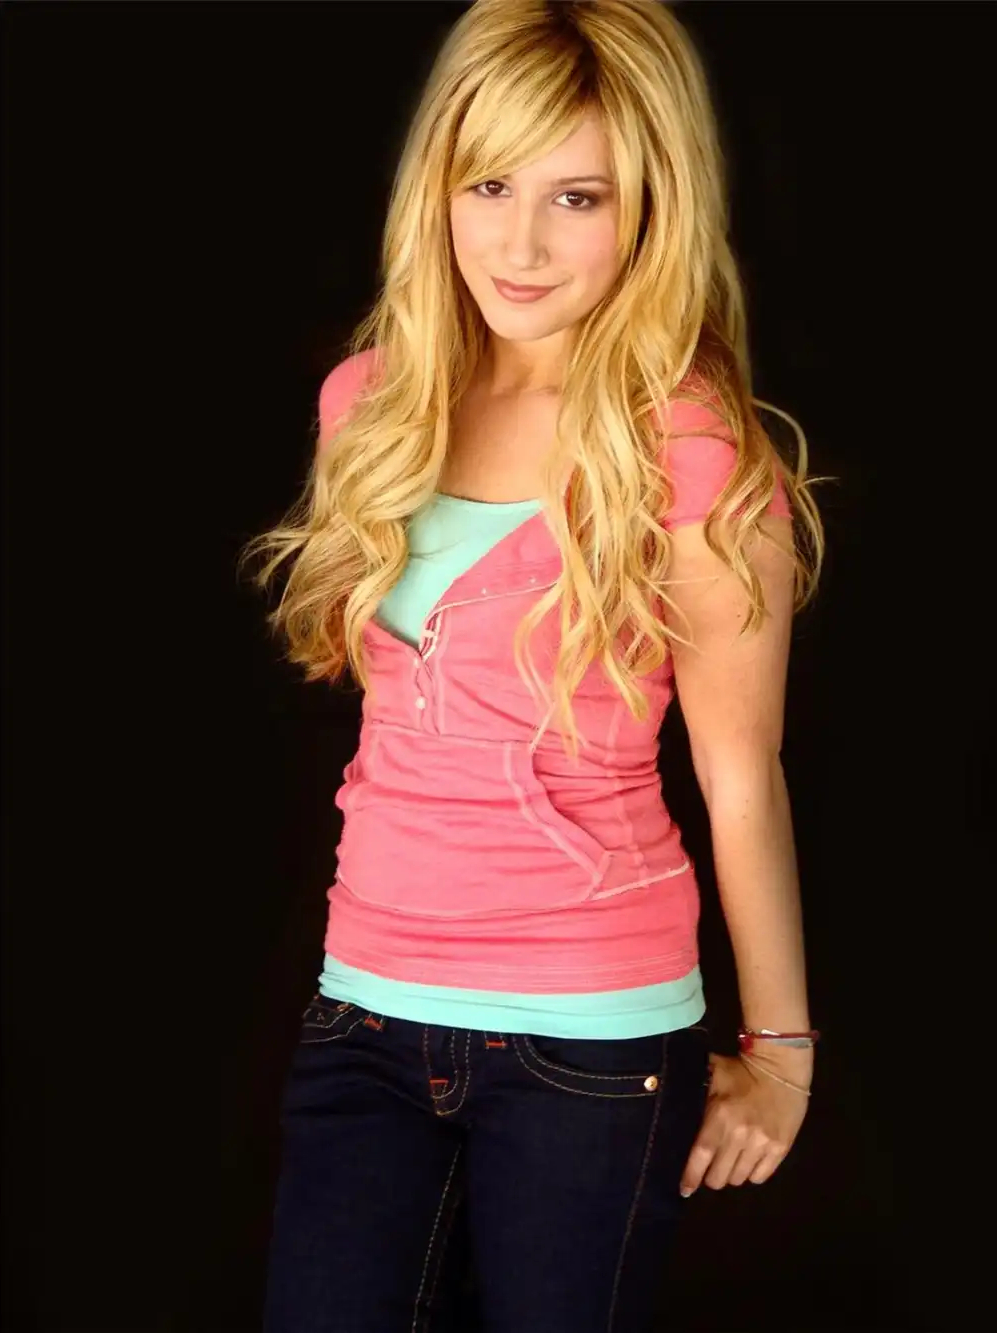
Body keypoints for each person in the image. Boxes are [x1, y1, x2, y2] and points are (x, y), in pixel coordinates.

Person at [245, 2, 826, 1330]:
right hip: (364, 1011)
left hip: (590, 1039)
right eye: (490, 185)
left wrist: (782, 1054)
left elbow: (741, 776)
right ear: (437, 186)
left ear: (650, 209)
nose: (519, 244)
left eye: (577, 197)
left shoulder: (691, 446)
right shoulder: (369, 405)